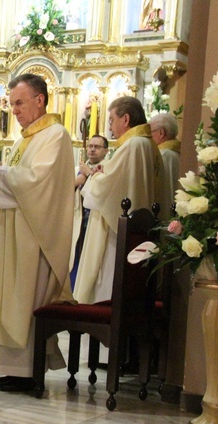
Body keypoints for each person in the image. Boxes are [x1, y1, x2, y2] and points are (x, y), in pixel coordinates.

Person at [0, 74, 72, 393]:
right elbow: (16, 179)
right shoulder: (23, 139)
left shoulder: (56, 136)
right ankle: (7, 369)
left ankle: (26, 371)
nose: (14, 110)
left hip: (33, 238)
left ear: (40, 100)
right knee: (7, 300)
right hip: (11, 234)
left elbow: (40, 184)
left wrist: (1, 174)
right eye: (11, 104)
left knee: (24, 301)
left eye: (19, 102)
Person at [73, 96, 161, 305]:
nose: (110, 127)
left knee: (109, 288)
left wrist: (92, 175)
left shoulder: (132, 145)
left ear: (126, 118)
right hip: (141, 234)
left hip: (119, 236)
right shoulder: (149, 145)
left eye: (112, 120)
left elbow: (106, 192)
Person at [70, 134, 109, 289]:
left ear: (106, 151)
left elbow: (102, 191)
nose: (92, 150)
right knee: (75, 256)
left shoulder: (107, 168)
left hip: (95, 221)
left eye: (97, 147)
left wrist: (90, 174)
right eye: (90, 146)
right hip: (77, 219)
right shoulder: (77, 169)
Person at [150, 112, 181, 220]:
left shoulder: (163, 155)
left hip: (163, 210)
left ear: (161, 133)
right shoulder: (178, 153)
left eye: (150, 133)